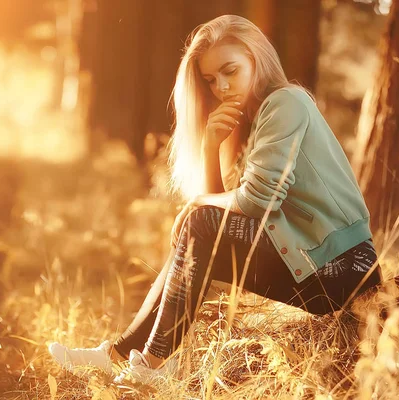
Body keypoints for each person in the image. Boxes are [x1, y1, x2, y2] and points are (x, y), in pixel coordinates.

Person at [48, 14, 382, 385]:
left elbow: (256, 202)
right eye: (210, 79)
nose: (221, 86)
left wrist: (199, 205)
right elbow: (217, 219)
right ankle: (118, 355)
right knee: (199, 227)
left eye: (230, 71)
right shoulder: (255, 117)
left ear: (256, 56)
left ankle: (152, 366)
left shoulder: (285, 102)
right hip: (313, 260)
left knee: (199, 221)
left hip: (343, 268)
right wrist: (210, 148)